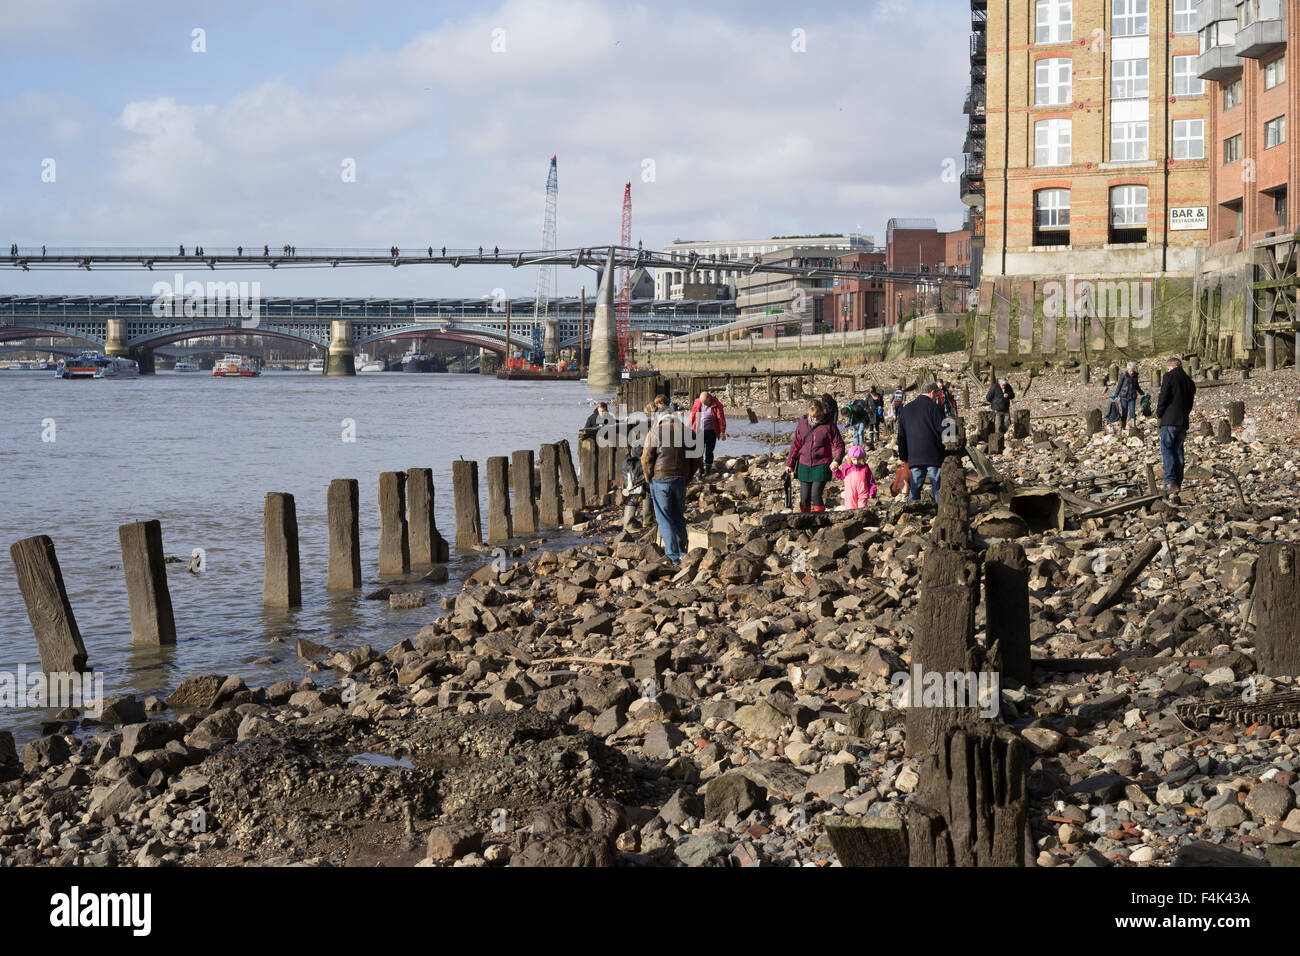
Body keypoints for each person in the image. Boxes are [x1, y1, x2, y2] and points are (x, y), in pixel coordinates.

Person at [641, 410, 699, 562]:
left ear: (661, 421)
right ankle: (682, 551)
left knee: (664, 518)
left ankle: (674, 556)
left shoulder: (654, 432)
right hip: (680, 479)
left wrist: (648, 478)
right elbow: (698, 457)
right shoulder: (689, 433)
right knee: (678, 515)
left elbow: (646, 458)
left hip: (660, 479)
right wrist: (689, 476)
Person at [785, 399, 845, 512]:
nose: (815, 419)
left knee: (816, 495)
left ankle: (820, 522)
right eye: (813, 417)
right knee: (804, 498)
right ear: (809, 413)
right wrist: (789, 463)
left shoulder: (829, 424)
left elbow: (839, 444)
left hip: (822, 464)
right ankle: (805, 522)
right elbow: (796, 444)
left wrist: (837, 460)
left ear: (822, 411)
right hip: (804, 464)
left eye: (818, 416)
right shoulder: (802, 423)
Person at [898, 382, 947, 503]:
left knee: (915, 486)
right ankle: (940, 511)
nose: (936, 398)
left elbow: (901, 436)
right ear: (932, 393)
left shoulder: (906, 409)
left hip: (914, 454)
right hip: (933, 453)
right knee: (937, 485)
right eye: (936, 395)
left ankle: (911, 511)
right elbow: (945, 430)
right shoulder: (935, 408)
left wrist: (904, 456)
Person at [1155, 356, 1196, 499]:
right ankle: (1178, 481)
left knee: (1166, 448)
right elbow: (1190, 403)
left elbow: (1163, 396)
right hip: (1183, 421)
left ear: (1170, 367)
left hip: (1169, 419)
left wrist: (1159, 413)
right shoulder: (1190, 382)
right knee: (1178, 450)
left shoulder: (1169, 376)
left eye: (1167, 368)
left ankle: (1171, 481)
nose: (1166, 370)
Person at [687, 390, 727, 477]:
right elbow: (692, 415)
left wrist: (722, 431)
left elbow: (721, 419)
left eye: (705, 402)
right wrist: (687, 427)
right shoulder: (698, 402)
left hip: (711, 431)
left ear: (709, 398)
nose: (704, 404)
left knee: (709, 451)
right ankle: (700, 470)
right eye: (702, 403)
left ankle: (708, 471)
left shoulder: (716, 404)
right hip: (699, 431)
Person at [833, 445, 877, 509]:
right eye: (854, 459)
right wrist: (836, 471)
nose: (856, 461)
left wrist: (872, 491)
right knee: (850, 510)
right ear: (850, 458)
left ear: (862, 458)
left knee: (862, 509)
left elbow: (870, 481)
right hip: (850, 494)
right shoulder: (847, 467)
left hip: (862, 493)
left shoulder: (865, 468)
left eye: (859, 459)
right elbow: (842, 476)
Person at [1114, 361, 1145, 429]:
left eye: (1133, 370)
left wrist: (1142, 393)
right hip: (1124, 396)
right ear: (1128, 369)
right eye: (1130, 370)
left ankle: (1134, 427)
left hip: (1132, 396)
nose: (1132, 372)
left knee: (1132, 412)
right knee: (1124, 412)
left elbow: (1137, 386)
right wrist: (1116, 394)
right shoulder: (1123, 375)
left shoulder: (1135, 375)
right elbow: (1119, 385)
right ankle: (1123, 428)